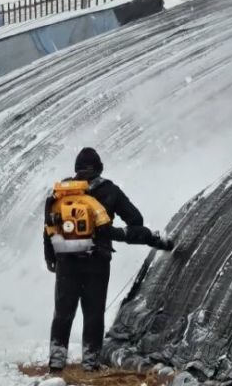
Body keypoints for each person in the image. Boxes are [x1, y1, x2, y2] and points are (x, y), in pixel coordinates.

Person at [44, 146, 172, 372]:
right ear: (99, 167)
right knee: (93, 313)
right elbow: (136, 219)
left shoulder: (62, 192)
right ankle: (90, 362)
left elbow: (48, 227)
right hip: (97, 262)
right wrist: (114, 232)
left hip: (66, 262)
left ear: (76, 169)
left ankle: (56, 359)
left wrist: (50, 258)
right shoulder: (109, 190)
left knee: (63, 312)